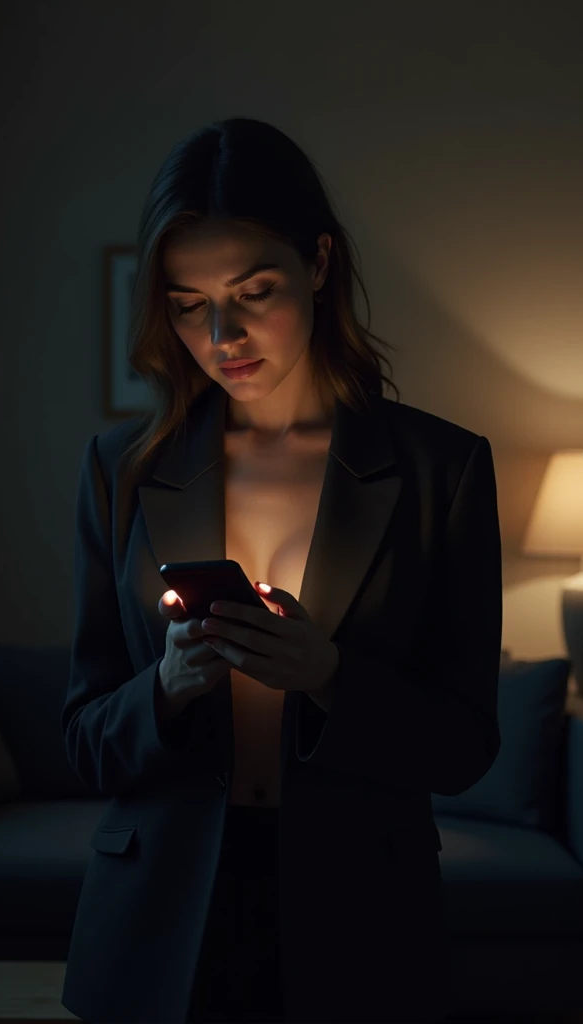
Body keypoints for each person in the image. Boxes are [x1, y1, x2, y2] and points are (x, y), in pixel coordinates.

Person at [60, 117, 502, 1024]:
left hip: (361, 919)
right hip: (160, 916)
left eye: (255, 290)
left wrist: (330, 677)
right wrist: (169, 688)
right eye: (187, 305)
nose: (223, 334)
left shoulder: (440, 471)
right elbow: (82, 734)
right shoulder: (123, 471)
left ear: (321, 263)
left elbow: (465, 746)